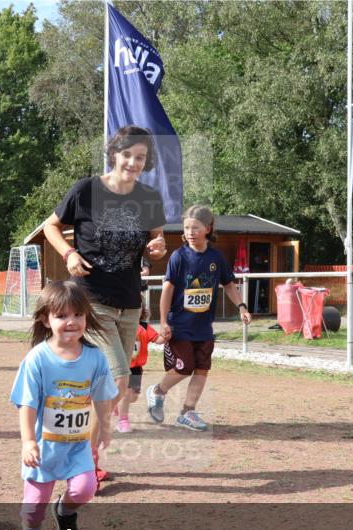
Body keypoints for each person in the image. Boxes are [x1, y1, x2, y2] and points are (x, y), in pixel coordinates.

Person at [41, 125, 168, 482]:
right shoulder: (86, 190)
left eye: (140, 157)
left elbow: (157, 240)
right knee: (117, 379)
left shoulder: (148, 197)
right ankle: (82, 462)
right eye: (127, 154)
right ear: (114, 154)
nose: (132, 162)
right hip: (91, 301)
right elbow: (51, 226)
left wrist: (158, 247)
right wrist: (68, 253)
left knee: (112, 387)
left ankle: (84, 456)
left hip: (130, 303)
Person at [10, 280, 117, 530]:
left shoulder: (95, 358)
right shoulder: (37, 359)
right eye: (62, 316)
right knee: (34, 506)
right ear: (46, 319)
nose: (71, 322)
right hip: (44, 450)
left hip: (77, 446)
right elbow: (27, 403)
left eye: (78, 315)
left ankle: (66, 512)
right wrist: (28, 442)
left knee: (85, 489)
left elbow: (102, 396)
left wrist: (105, 427)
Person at [146, 205, 251, 431]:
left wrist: (242, 306)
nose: (190, 232)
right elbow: (167, 290)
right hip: (179, 327)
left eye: (196, 227)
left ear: (208, 229)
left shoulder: (216, 256)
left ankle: (187, 412)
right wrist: (163, 321)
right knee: (184, 368)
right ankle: (157, 392)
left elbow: (229, 285)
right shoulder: (179, 257)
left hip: (204, 328)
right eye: (187, 228)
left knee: (202, 369)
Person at [116, 301, 159, 433]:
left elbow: (158, 339)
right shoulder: (116, 327)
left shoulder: (144, 327)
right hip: (121, 366)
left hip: (136, 368)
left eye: (136, 307)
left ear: (142, 310)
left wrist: (167, 335)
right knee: (126, 393)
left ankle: (117, 405)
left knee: (133, 397)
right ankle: (123, 420)